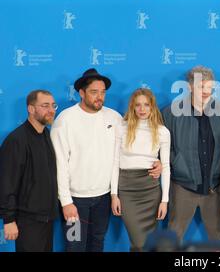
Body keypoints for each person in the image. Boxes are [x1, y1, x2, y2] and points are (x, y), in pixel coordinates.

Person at [50, 68, 162, 252]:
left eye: (102, 92)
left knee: (97, 242)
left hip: (103, 198)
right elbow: (59, 164)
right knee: (74, 245)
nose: (99, 97)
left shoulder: (115, 118)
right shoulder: (65, 120)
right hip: (75, 201)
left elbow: (134, 146)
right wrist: (66, 202)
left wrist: (156, 162)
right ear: (81, 93)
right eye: (94, 92)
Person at [162, 65, 220, 244]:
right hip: (183, 186)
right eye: (201, 86)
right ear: (189, 87)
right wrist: (177, 163)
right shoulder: (171, 112)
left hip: (215, 186)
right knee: (173, 237)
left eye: (209, 88)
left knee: (219, 240)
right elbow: (161, 145)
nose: (205, 91)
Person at [111, 88, 170, 252]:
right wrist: (114, 195)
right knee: (138, 241)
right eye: (138, 105)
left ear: (152, 107)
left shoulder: (162, 131)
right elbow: (115, 162)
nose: (142, 109)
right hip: (127, 189)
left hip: (150, 190)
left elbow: (165, 167)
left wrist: (164, 201)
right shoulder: (121, 128)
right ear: (132, 107)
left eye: (146, 105)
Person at [0, 90, 59, 252]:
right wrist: (9, 220)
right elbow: (7, 183)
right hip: (28, 221)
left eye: (53, 105)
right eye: (45, 105)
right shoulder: (16, 140)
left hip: (47, 219)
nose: (51, 110)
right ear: (31, 109)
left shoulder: (46, 134)